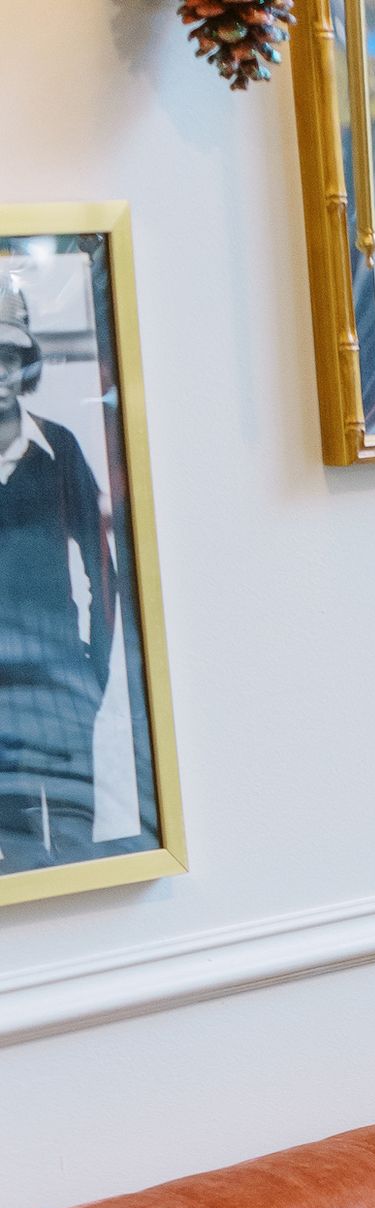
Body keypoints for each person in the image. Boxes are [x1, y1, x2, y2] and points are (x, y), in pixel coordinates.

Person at [0, 267, 115, 875]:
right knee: (14, 851)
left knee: (76, 846)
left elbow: (102, 571)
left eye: (8, 354)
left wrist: (93, 669)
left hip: (60, 681)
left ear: (26, 362)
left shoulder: (60, 448)